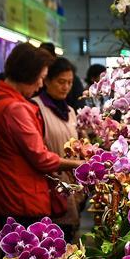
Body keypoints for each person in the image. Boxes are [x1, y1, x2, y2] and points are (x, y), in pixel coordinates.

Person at [0, 43, 83, 227]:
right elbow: (40, 158)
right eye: (41, 78)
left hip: (11, 193)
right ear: (27, 74)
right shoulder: (15, 108)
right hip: (22, 196)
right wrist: (76, 165)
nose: (40, 85)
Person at [33, 57, 81, 240]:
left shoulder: (70, 111)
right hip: (47, 186)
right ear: (46, 81)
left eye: (69, 82)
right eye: (61, 82)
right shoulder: (36, 107)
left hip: (70, 186)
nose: (66, 87)